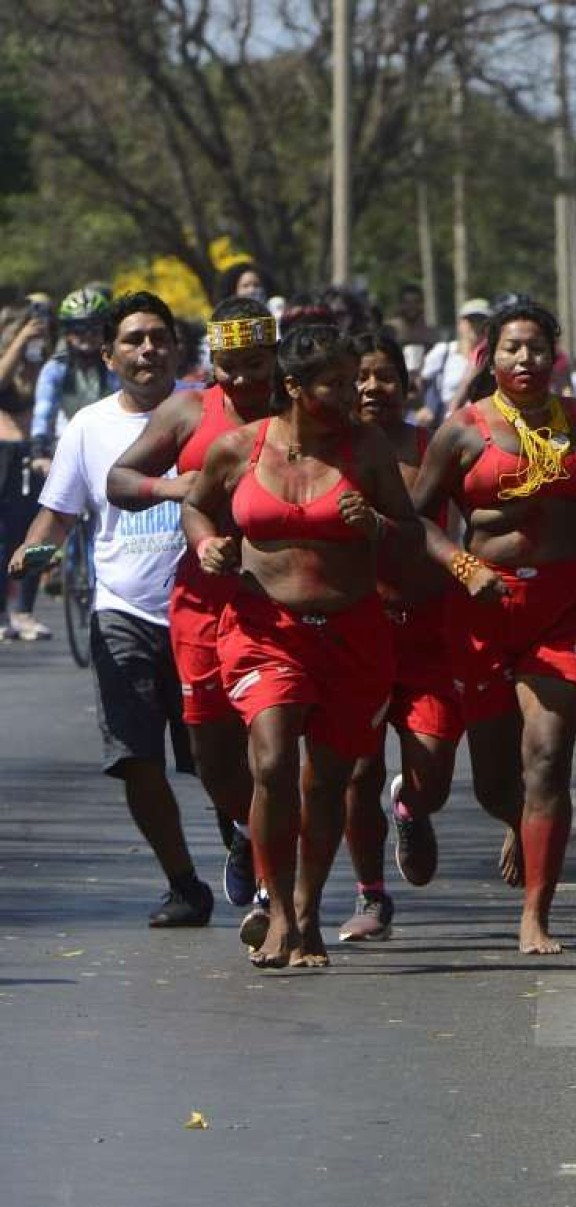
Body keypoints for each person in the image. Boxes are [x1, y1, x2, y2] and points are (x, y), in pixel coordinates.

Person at [181, 324, 418, 968]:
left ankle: (310, 910)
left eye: (351, 380)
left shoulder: (365, 450)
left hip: (352, 635)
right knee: (272, 759)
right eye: (334, 383)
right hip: (265, 632)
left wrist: (376, 524)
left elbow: (411, 534)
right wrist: (208, 545)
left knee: (329, 782)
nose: (350, 393)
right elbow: (197, 508)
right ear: (292, 387)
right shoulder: (238, 449)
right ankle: (278, 909)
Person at [409, 298, 576, 954]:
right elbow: (414, 519)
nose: (526, 359)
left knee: (547, 753)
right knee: (494, 782)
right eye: (512, 348)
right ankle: (519, 822)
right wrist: (459, 561)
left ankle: (536, 912)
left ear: (556, 353)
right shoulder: (463, 430)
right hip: (481, 609)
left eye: (537, 347)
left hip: (564, 609)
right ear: (490, 356)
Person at [7, 293, 213, 925]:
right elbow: (60, 513)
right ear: (109, 355)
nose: (146, 349)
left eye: (158, 337)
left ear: (177, 349)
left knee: (220, 758)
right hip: (124, 611)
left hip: (209, 609)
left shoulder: (211, 414)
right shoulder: (88, 426)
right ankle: (184, 883)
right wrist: (33, 550)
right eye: (133, 340)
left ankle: (248, 854)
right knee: (134, 757)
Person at [106, 297, 280, 915]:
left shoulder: (299, 410)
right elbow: (120, 481)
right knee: (213, 759)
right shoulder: (187, 409)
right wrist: (175, 486)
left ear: (275, 358)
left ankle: (273, 889)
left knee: (274, 747)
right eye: (228, 365)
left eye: (255, 364)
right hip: (202, 604)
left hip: (283, 602)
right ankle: (249, 830)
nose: (240, 379)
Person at [335, 332, 465, 942]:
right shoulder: (326, 451)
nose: (371, 388)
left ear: (405, 386)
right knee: (357, 773)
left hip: (431, 633)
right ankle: (371, 895)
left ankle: (411, 807)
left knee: (433, 769)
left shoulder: (430, 447)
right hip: (356, 632)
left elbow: (478, 511)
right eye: (359, 377)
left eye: (384, 376)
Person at [0, 303, 52, 639]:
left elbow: (46, 398)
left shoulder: (43, 365)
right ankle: (2, 614)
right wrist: (19, 344)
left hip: (31, 453)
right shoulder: (7, 360)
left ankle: (25, 611)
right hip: (2, 451)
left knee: (34, 533)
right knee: (2, 539)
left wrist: (37, 358)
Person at [31, 288, 118, 457]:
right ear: (67, 332)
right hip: (67, 451)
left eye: (95, 327)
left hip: (111, 450)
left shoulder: (116, 366)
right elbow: (43, 413)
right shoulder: (55, 368)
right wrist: (38, 451)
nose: (87, 334)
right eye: (78, 327)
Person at [418, 299, 490, 426]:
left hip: (482, 424)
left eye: (481, 321)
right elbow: (419, 383)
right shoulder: (443, 352)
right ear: (460, 324)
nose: (476, 327)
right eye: (471, 321)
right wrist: (422, 408)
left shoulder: (493, 358)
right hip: (444, 423)